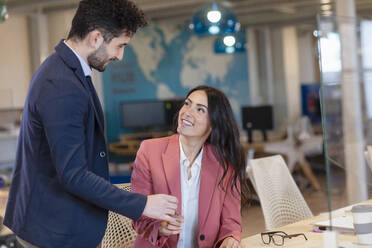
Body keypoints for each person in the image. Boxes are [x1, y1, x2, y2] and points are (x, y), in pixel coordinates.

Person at [4, 1, 179, 247]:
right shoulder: (61, 84)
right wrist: (143, 204)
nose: (120, 56)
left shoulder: (68, 70)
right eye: (120, 46)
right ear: (96, 38)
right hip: (53, 231)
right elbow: (73, 175)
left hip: (59, 224)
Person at [131, 85, 249, 248]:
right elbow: (138, 212)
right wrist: (160, 228)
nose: (187, 112)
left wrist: (230, 238)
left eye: (200, 110)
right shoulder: (149, 151)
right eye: (187, 104)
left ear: (214, 123)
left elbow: (231, 221)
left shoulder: (225, 163)